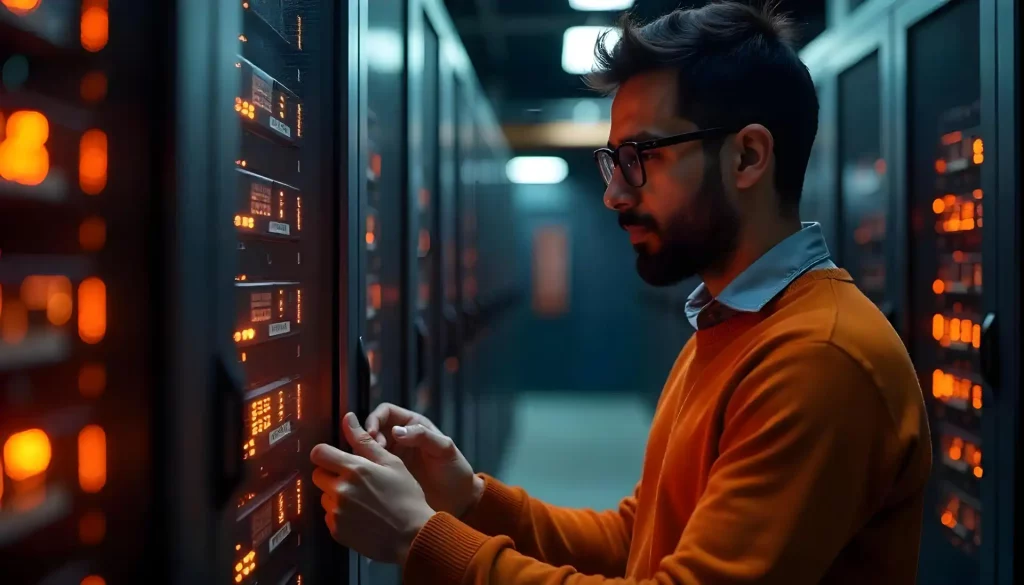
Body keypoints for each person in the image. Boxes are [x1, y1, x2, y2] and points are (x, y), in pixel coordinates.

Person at [310, 1, 932, 583]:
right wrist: (470, 497)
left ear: (747, 157)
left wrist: (421, 537)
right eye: (614, 161)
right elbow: (638, 539)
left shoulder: (818, 357)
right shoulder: (733, 326)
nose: (615, 194)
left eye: (641, 157)